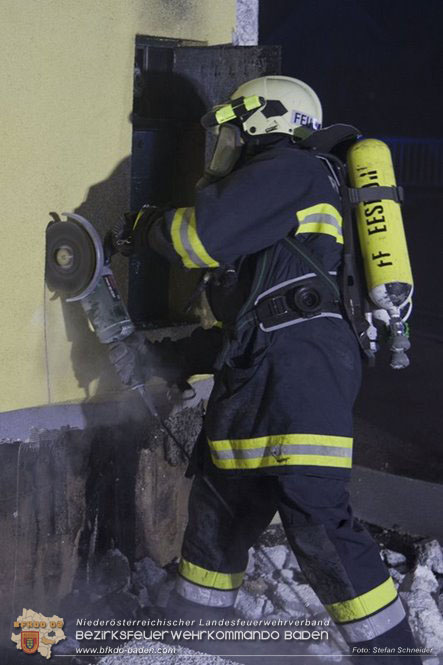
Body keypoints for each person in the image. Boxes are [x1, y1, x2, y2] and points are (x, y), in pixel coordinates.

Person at [116, 76, 421, 663]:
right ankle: (196, 639)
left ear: (264, 121)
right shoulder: (278, 197)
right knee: (218, 519)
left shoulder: (290, 170)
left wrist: (145, 227)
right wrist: (171, 359)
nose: (224, 143)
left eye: (231, 128)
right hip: (260, 379)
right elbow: (258, 314)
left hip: (297, 380)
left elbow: (198, 237)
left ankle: (394, 655)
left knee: (317, 522)